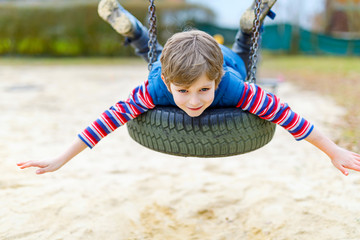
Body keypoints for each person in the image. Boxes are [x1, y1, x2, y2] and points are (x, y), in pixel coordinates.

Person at [17, 0, 360, 176]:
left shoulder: (233, 86)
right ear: (169, 82)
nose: (193, 102)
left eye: (203, 91)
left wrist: (334, 151)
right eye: (182, 91)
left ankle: (246, 26)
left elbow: (289, 118)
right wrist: (60, 159)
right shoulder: (158, 85)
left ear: (216, 81)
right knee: (151, 57)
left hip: (227, 61)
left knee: (242, 58)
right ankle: (247, 24)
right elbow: (104, 123)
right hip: (184, 61)